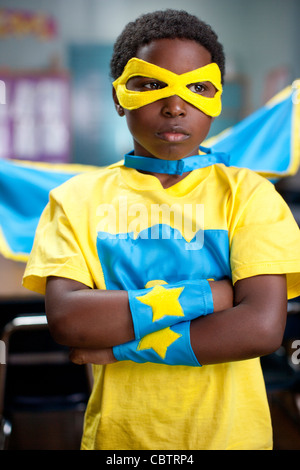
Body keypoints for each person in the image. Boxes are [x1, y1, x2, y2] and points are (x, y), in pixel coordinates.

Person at [23, 9, 300, 450]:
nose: (175, 105)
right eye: (150, 85)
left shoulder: (249, 196)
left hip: (231, 437)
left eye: (197, 88)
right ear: (118, 97)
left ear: (217, 98)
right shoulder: (76, 200)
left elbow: (260, 329)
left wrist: (118, 349)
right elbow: (70, 321)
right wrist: (211, 294)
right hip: (120, 441)